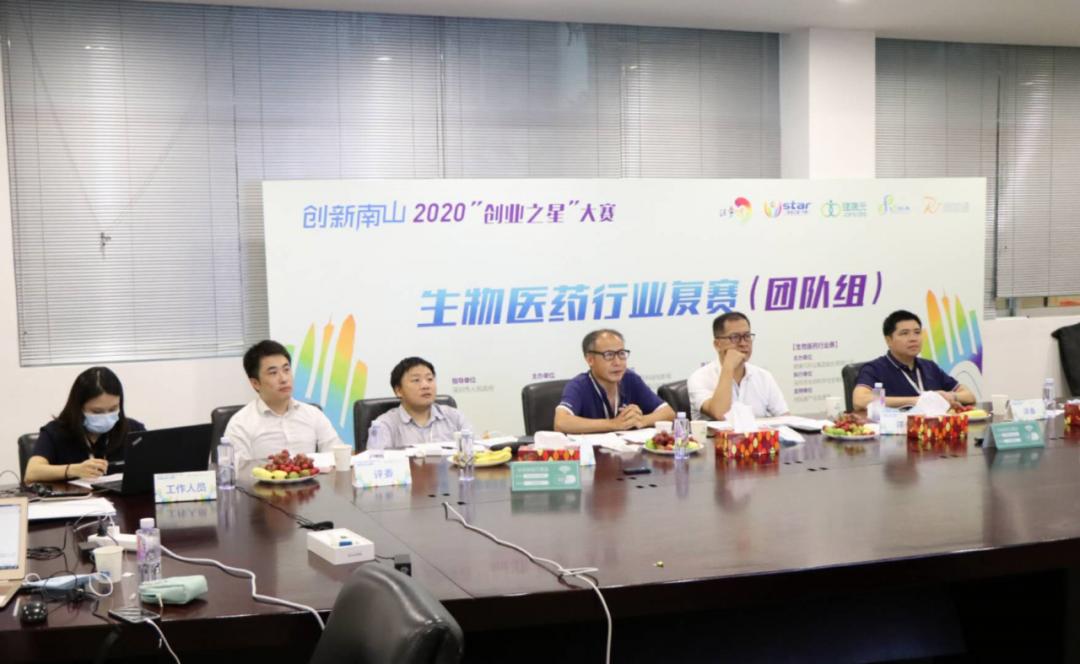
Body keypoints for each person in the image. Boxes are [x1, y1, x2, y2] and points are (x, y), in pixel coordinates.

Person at [226, 340, 341, 463]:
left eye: (286, 370)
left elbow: (337, 455)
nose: (284, 379)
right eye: (273, 373)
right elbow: (238, 470)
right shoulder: (240, 424)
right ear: (255, 383)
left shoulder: (313, 414)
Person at [24, 367, 145, 483]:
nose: (106, 417)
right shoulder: (55, 432)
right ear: (78, 408)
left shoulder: (133, 429)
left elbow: (153, 465)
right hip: (74, 497)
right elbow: (31, 473)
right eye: (97, 411)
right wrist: (72, 470)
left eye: (113, 409)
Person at [554, 329, 675, 434]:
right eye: (609, 355)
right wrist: (613, 424)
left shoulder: (630, 379)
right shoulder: (579, 385)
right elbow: (561, 422)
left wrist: (641, 420)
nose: (617, 362)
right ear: (590, 359)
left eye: (621, 354)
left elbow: (668, 413)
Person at [852, 310, 975, 410]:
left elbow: (969, 396)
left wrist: (950, 396)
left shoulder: (929, 367)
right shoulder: (875, 369)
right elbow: (859, 400)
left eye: (917, 332)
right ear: (888, 340)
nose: (913, 338)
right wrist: (915, 401)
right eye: (904, 333)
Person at [688, 312, 789, 421]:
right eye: (735, 337)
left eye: (747, 336)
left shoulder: (764, 377)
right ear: (717, 344)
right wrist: (728, 366)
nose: (743, 343)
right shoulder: (700, 378)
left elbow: (785, 417)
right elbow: (720, 414)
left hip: (758, 432)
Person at [369, 357, 471, 449]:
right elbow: (376, 460)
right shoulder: (385, 425)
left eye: (430, 379)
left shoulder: (454, 417)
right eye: (416, 380)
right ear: (398, 390)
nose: (426, 385)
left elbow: (474, 452)